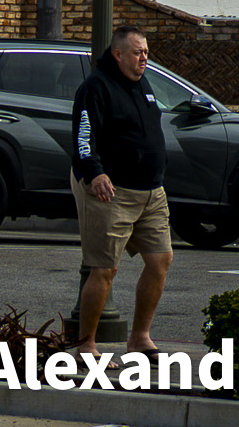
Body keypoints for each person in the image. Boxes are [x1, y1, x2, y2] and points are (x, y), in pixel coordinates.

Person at [69, 23, 173, 354]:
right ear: (118, 54)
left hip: (151, 192)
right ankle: (86, 345)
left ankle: (139, 338)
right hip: (111, 191)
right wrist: (95, 173)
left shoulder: (143, 84)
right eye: (138, 52)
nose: (144, 58)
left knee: (160, 260)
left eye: (146, 52)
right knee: (104, 269)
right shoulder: (95, 88)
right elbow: (83, 135)